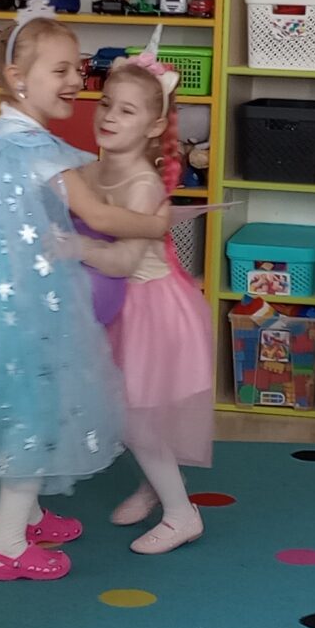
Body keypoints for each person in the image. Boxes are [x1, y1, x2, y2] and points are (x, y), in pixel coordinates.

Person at [0, 2, 175, 581]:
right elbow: (100, 216)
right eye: (60, 70)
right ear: (17, 78)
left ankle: (30, 515)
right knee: (33, 417)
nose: (76, 81)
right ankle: (6, 546)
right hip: (27, 308)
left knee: (21, 407)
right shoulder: (38, 151)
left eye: (77, 68)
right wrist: (156, 222)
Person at [75, 49, 213, 554]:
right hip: (114, 306)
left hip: (149, 309)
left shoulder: (142, 184)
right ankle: (159, 483)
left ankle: (182, 514)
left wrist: (71, 246)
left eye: (127, 110)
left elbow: (123, 261)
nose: (110, 116)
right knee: (125, 413)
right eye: (106, 104)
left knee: (137, 417)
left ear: (155, 126)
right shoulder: (94, 169)